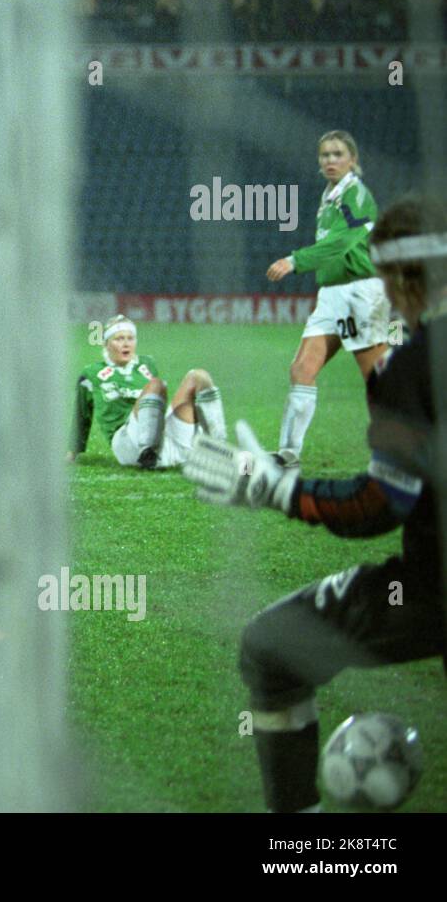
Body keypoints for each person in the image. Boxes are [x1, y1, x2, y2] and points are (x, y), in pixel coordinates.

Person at [183, 193, 445, 812]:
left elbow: (378, 505)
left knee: (272, 646)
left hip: (435, 589)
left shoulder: (415, 368)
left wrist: (277, 489)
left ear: (398, 277)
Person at [267, 130, 389, 466]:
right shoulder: (330, 195)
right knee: (302, 368)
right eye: (325, 155)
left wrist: (295, 261)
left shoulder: (356, 195)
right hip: (332, 295)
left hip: (359, 293)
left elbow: (342, 243)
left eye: (337, 154)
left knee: (377, 378)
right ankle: (289, 453)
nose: (330, 160)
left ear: (353, 159)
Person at [70, 314, 226, 469]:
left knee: (199, 376)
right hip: (127, 444)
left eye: (130, 338)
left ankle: (218, 447)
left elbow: (156, 407)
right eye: (119, 339)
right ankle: (147, 452)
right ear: (106, 344)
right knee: (156, 385)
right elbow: (82, 414)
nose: (126, 344)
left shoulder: (147, 364)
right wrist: (73, 451)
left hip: (162, 438)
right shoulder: (91, 373)